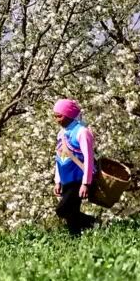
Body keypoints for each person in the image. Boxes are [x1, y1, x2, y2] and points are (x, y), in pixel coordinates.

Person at [53, 99, 97, 236]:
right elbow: (59, 157)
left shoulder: (82, 132)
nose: (56, 120)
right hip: (66, 179)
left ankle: (94, 222)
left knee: (62, 209)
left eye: (59, 116)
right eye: (55, 116)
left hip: (78, 178)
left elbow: (89, 158)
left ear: (69, 115)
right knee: (72, 214)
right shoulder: (61, 133)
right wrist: (57, 181)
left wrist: (86, 183)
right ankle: (75, 240)